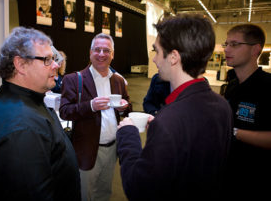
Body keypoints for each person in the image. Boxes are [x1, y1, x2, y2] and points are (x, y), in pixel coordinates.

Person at [116, 14, 233, 200]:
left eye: (156, 51)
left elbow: (138, 189)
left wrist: (127, 135)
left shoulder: (169, 119)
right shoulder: (222, 105)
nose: (154, 60)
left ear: (173, 57)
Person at [0, 27, 80, 200]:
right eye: (47, 59)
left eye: (54, 58)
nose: (57, 65)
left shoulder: (22, 100)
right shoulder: (21, 128)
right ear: (21, 65)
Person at [59, 33, 132, 201]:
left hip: (112, 148)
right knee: (85, 194)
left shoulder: (119, 81)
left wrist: (123, 108)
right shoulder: (73, 79)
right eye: (97, 49)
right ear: (90, 52)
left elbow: (127, 106)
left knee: (104, 192)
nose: (101, 54)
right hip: (86, 149)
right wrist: (91, 106)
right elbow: (65, 111)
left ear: (112, 55)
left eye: (106, 50)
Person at [222, 24, 271, 199]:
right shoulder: (232, 86)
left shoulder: (267, 87)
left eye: (234, 44)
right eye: (226, 44)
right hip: (229, 174)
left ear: (255, 49)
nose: (227, 49)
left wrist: (233, 132)